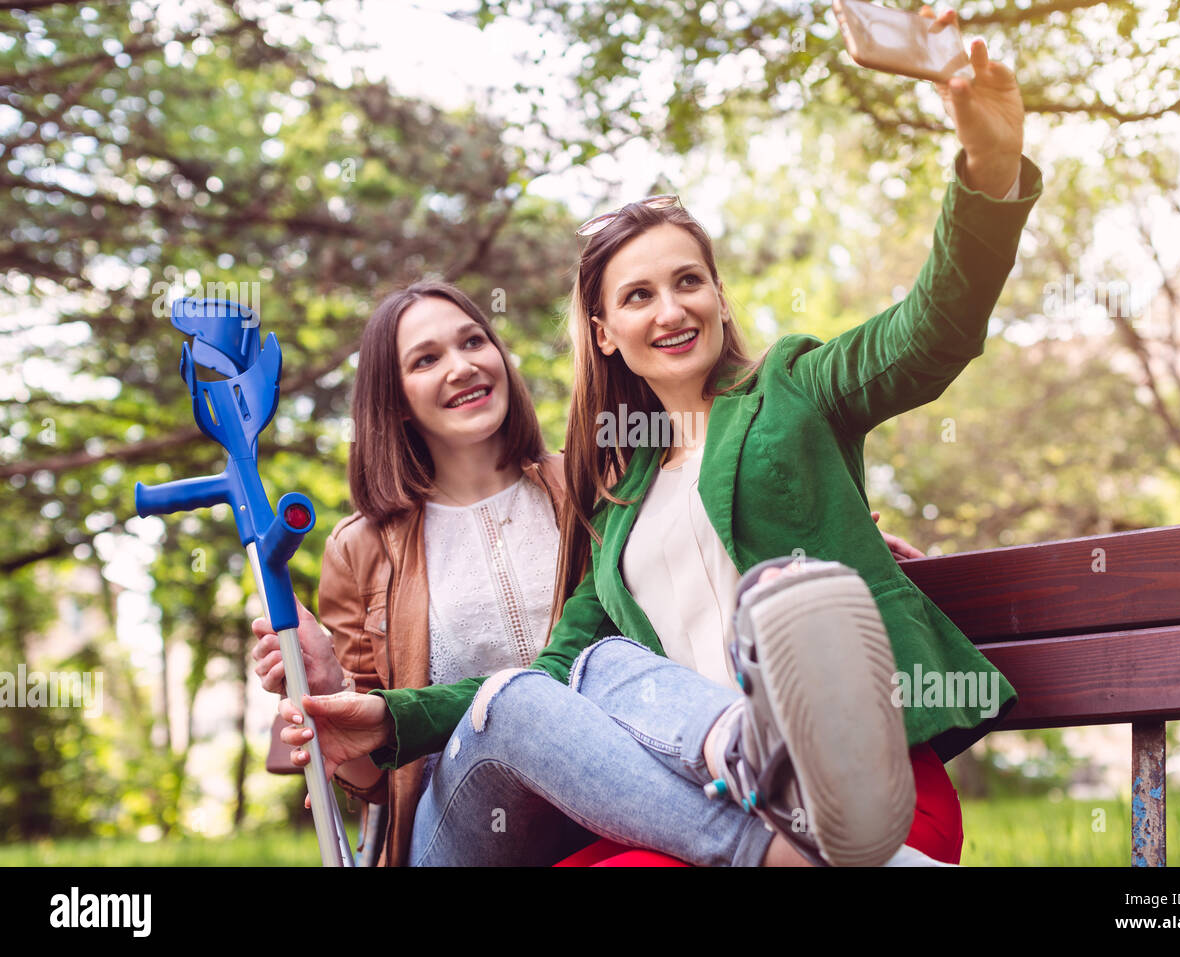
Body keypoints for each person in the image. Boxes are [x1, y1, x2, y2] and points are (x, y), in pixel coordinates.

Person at [279, 7, 1040, 866]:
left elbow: (930, 330)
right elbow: (547, 674)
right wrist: (387, 717)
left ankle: (803, 807)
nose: (671, 309)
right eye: (638, 296)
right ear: (603, 330)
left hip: (863, 794)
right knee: (582, 668)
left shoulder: (795, 390)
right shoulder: (616, 500)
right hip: (696, 800)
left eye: (688, 282)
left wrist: (988, 164)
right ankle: (760, 804)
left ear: (718, 295)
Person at [251, 278, 570, 866]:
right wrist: (325, 687)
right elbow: (375, 778)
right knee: (505, 712)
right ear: (394, 400)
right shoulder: (362, 548)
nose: (462, 366)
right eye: (427, 359)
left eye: (474, 342)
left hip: (608, 794)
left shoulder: (583, 488)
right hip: (461, 834)